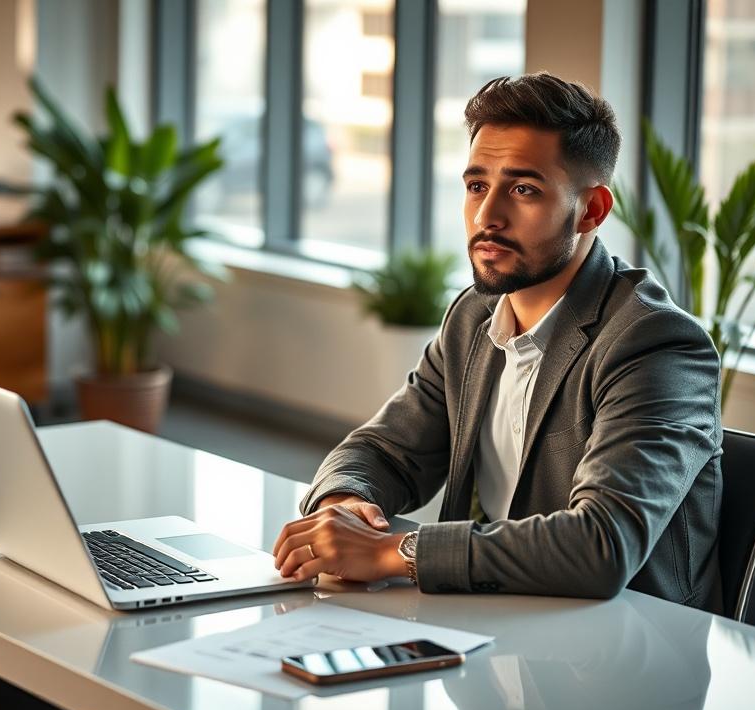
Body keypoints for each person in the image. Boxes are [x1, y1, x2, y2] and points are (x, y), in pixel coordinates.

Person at [272, 72, 724, 612]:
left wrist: (397, 551)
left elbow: (601, 546)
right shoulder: (473, 316)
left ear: (592, 211)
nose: (487, 216)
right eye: (477, 185)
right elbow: (386, 450)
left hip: (617, 652)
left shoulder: (656, 343)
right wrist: (345, 505)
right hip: (484, 630)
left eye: (524, 189)